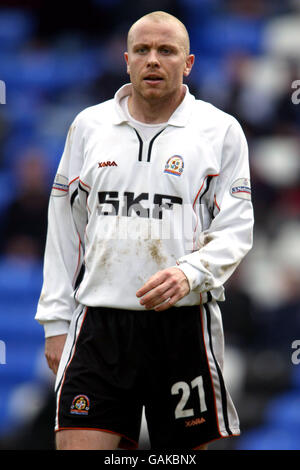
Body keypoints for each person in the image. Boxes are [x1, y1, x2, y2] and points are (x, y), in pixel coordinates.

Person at [35, 11, 254, 451]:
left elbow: (236, 227)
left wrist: (190, 272)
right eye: (143, 50)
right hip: (99, 325)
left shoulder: (220, 130)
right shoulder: (88, 126)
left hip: (182, 325)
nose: (153, 60)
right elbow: (63, 228)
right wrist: (56, 323)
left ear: (188, 63)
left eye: (166, 51)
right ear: (127, 60)